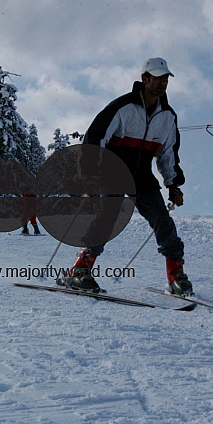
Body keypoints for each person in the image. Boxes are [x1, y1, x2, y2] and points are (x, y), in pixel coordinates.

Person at [57, 57, 192, 296]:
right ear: (145, 78)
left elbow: (168, 153)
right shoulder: (124, 108)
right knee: (109, 215)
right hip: (113, 170)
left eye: (165, 78)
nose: (162, 83)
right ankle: (79, 270)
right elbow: (95, 137)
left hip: (141, 175)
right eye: (157, 77)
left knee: (162, 220)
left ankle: (175, 276)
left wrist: (173, 185)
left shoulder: (168, 117)